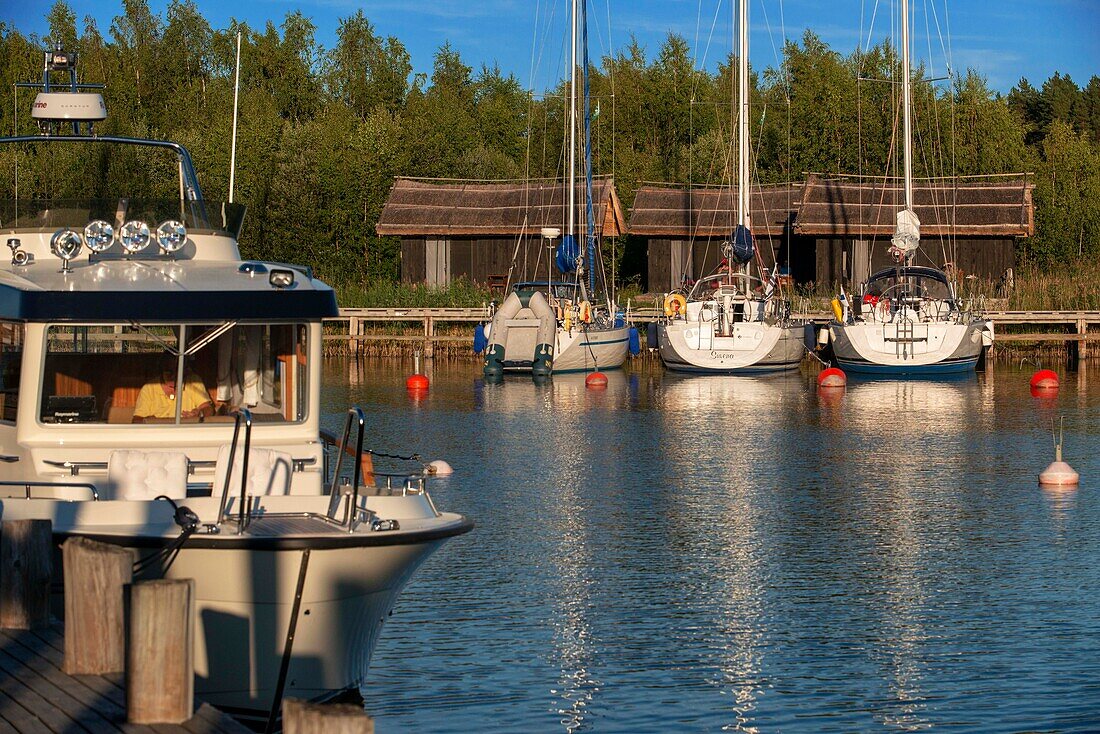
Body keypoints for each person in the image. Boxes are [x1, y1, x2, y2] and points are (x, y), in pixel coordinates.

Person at [133, 355, 213, 422]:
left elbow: (208, 408)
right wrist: (148, 421)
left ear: (184, 371)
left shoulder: (193, 382)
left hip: (186, 433)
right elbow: (136, 420)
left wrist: (199, 413)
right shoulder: (149, 388)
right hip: (157, 434)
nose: (173, 375)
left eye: (177, 371)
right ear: (161, 370)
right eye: (168, 371)